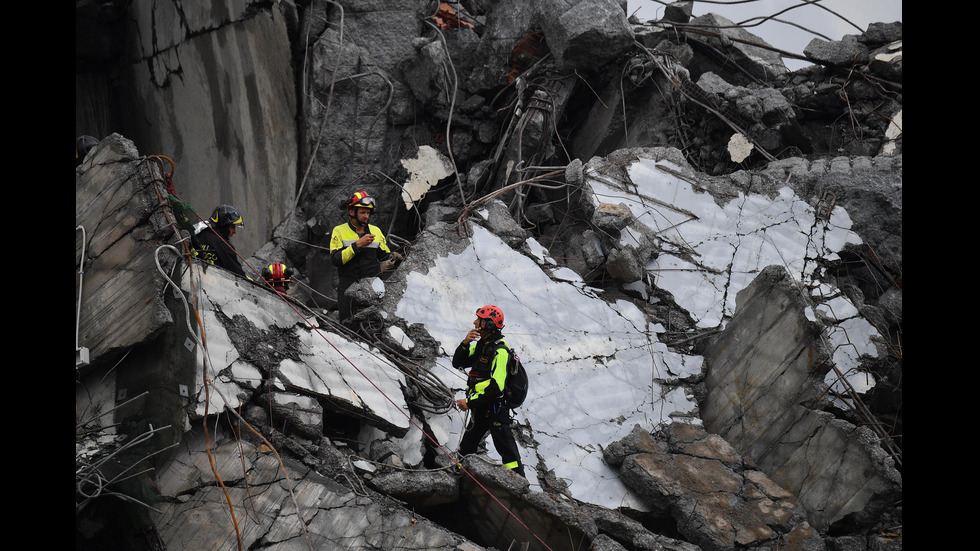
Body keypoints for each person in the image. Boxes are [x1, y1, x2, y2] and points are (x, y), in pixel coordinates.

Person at [452, 305, 525, 478]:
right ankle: (458, 476)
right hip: (481, 409)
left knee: (508, 452)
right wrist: (465, 343)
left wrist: (469, 402)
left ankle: (520, 487)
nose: (474, 322)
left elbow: (496, 388)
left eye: (479, 319)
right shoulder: (482, 347)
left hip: (495, 409)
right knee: (467, 446)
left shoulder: (500, 352)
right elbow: (458, 362)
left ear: (489, 325)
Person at [329, 190, 402, 325]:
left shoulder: (376, 231)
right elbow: (336, 259)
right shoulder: (339, 231)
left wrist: (395, 260)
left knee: (371, 326)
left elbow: (385, 256)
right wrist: (357, 245)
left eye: (368, 213)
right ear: (352, 212)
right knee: (348, 326)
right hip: (347, 289)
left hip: (372, 290)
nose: (366, 216)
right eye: (363, 212)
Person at [192, 204, 247, 278]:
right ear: (225, 225)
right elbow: (240, 277)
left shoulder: (197, 233)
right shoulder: (224, 246)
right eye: (233, 227)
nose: (235, 232)